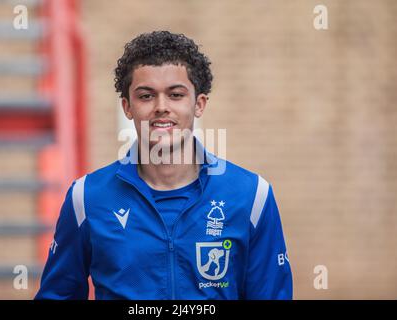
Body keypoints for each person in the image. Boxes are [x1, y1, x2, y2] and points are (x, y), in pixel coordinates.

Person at [35, 31, 293, 300]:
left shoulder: (252, 196)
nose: (161, 107)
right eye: (146, 96)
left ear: (199, 104)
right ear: (127, 107)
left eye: (176, 95)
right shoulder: (86, 198)